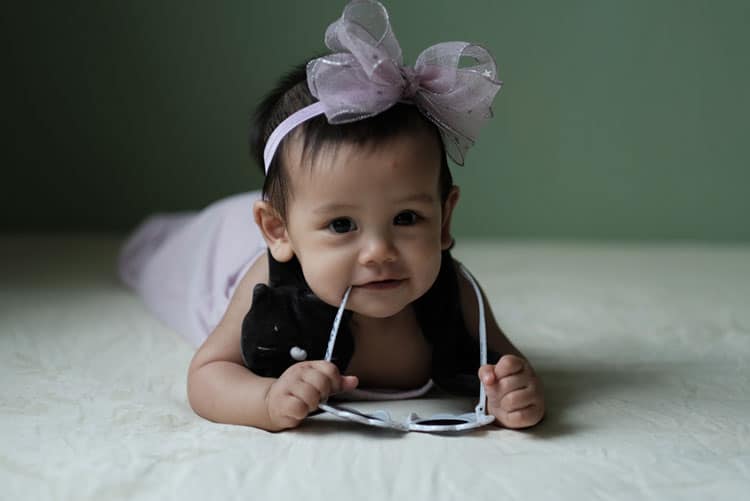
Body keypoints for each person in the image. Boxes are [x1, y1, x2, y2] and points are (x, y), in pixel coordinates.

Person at [118, 0, 544, 432]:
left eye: (407, 218)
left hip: (299, 215)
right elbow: (206, 376)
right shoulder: (266, 286)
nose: (379, 252)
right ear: (276, 230)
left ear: (445, 220)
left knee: (313, 200)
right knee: (156, 259)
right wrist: (265, 399)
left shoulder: (457, 295)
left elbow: (509, 365)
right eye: (343, 225)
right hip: (221, 247)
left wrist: (511, 393)